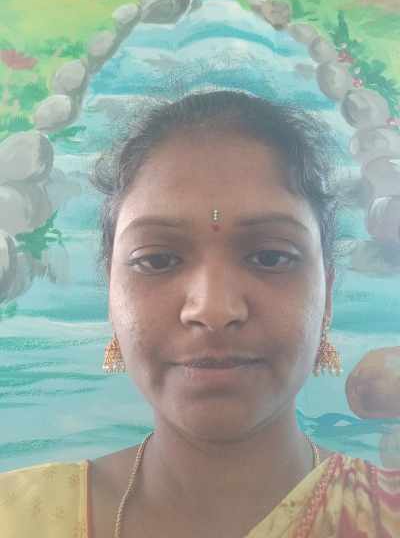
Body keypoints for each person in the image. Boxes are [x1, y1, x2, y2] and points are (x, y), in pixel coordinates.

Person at [1, 89, 399, 538]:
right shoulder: (17, 518)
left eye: (270, 257)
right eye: (157, 260)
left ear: (326, 295)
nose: (213, 309)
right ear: (111, 294)